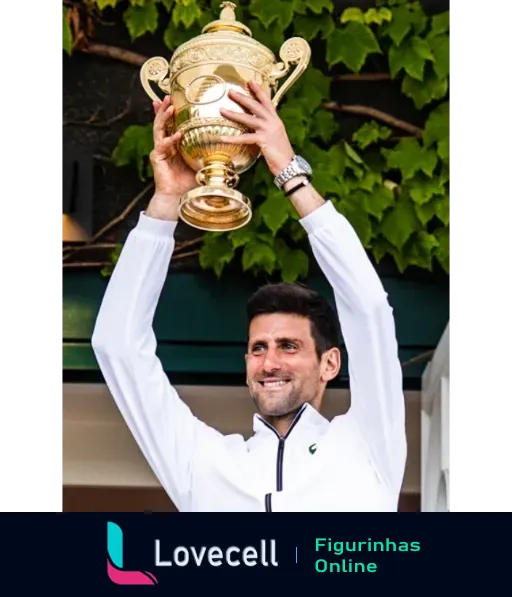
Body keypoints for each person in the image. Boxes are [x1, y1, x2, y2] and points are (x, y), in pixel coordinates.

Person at [91, 80, 407, 512]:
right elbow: (117, 345)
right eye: (258, 348)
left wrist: (288, 171)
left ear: (329, 363)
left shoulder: (369, 443)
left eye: (289, 346)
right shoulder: (204, 463)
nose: (269, 362)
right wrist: (166, 200)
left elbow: (368, 309)